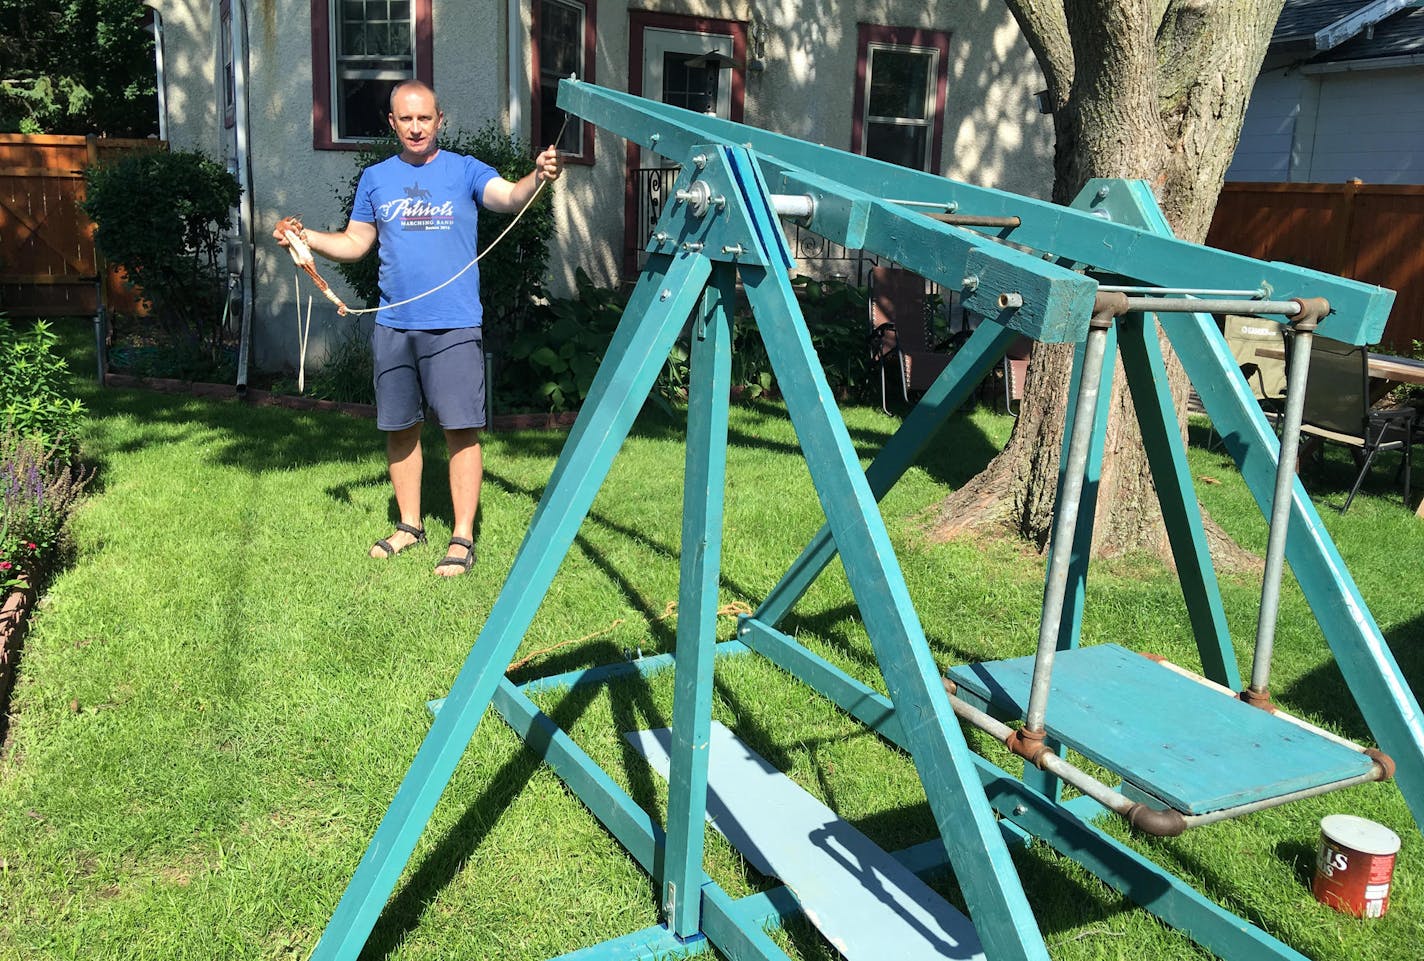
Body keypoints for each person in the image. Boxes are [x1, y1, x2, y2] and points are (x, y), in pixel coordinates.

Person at [273, 79, 562, 576]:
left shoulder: (465, 170)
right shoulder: (375, 179)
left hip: (452, 325)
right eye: (405, 119)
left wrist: (537, 176)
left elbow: (510, 197)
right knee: (400, 428)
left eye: (423, 118)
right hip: (393, 324)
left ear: (439, 120)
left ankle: (462, 537)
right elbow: (356, 242)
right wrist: (307, 240)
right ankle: (410, 525)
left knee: (460, 430)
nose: (415, 127)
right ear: (392, 123)